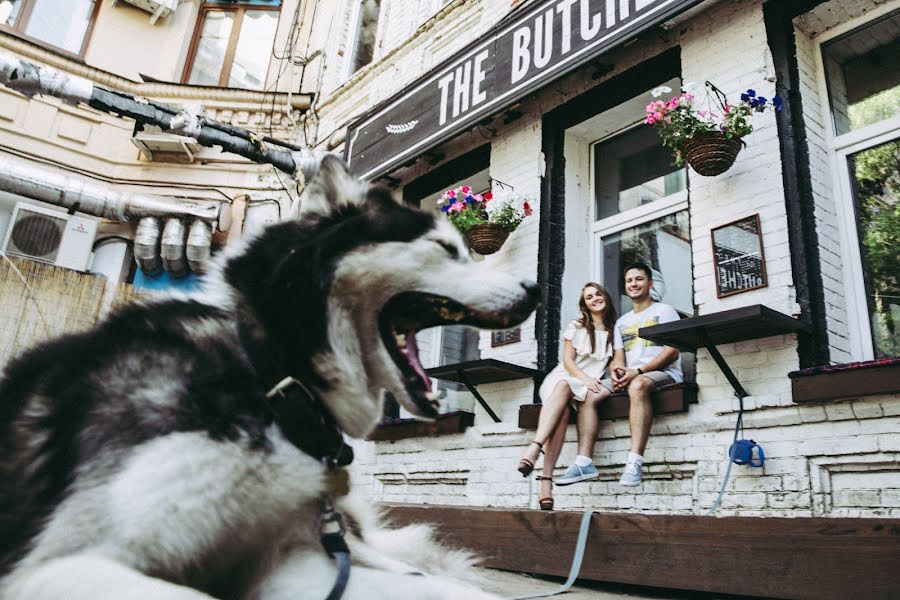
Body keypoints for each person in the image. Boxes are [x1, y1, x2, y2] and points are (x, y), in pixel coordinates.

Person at [516, 283, 617, 510]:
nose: (595, 299)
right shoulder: (576, 326)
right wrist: (586, 379)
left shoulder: (613, 331)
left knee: (561, 415)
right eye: (589, 297)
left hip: (585, 385)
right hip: (566, 378)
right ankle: (536, 451)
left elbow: (613, 364)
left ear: (606, 297)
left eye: (598, 294)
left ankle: (543, 479)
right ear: (585, 305)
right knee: (562, 386)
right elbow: (568, 362)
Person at [607, 262, 682, 487]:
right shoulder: (622, 322)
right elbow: (618, 358)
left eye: (639, 279)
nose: (634, 284)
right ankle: (583, 461)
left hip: (664, 373)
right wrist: (617, 372)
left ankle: (634, 461)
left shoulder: (664, 311)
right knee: (588, 391)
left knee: (637, 385)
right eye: (629, 281)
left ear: (650, 284)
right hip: (631, 375)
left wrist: (637, 372)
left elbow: (673, 350)